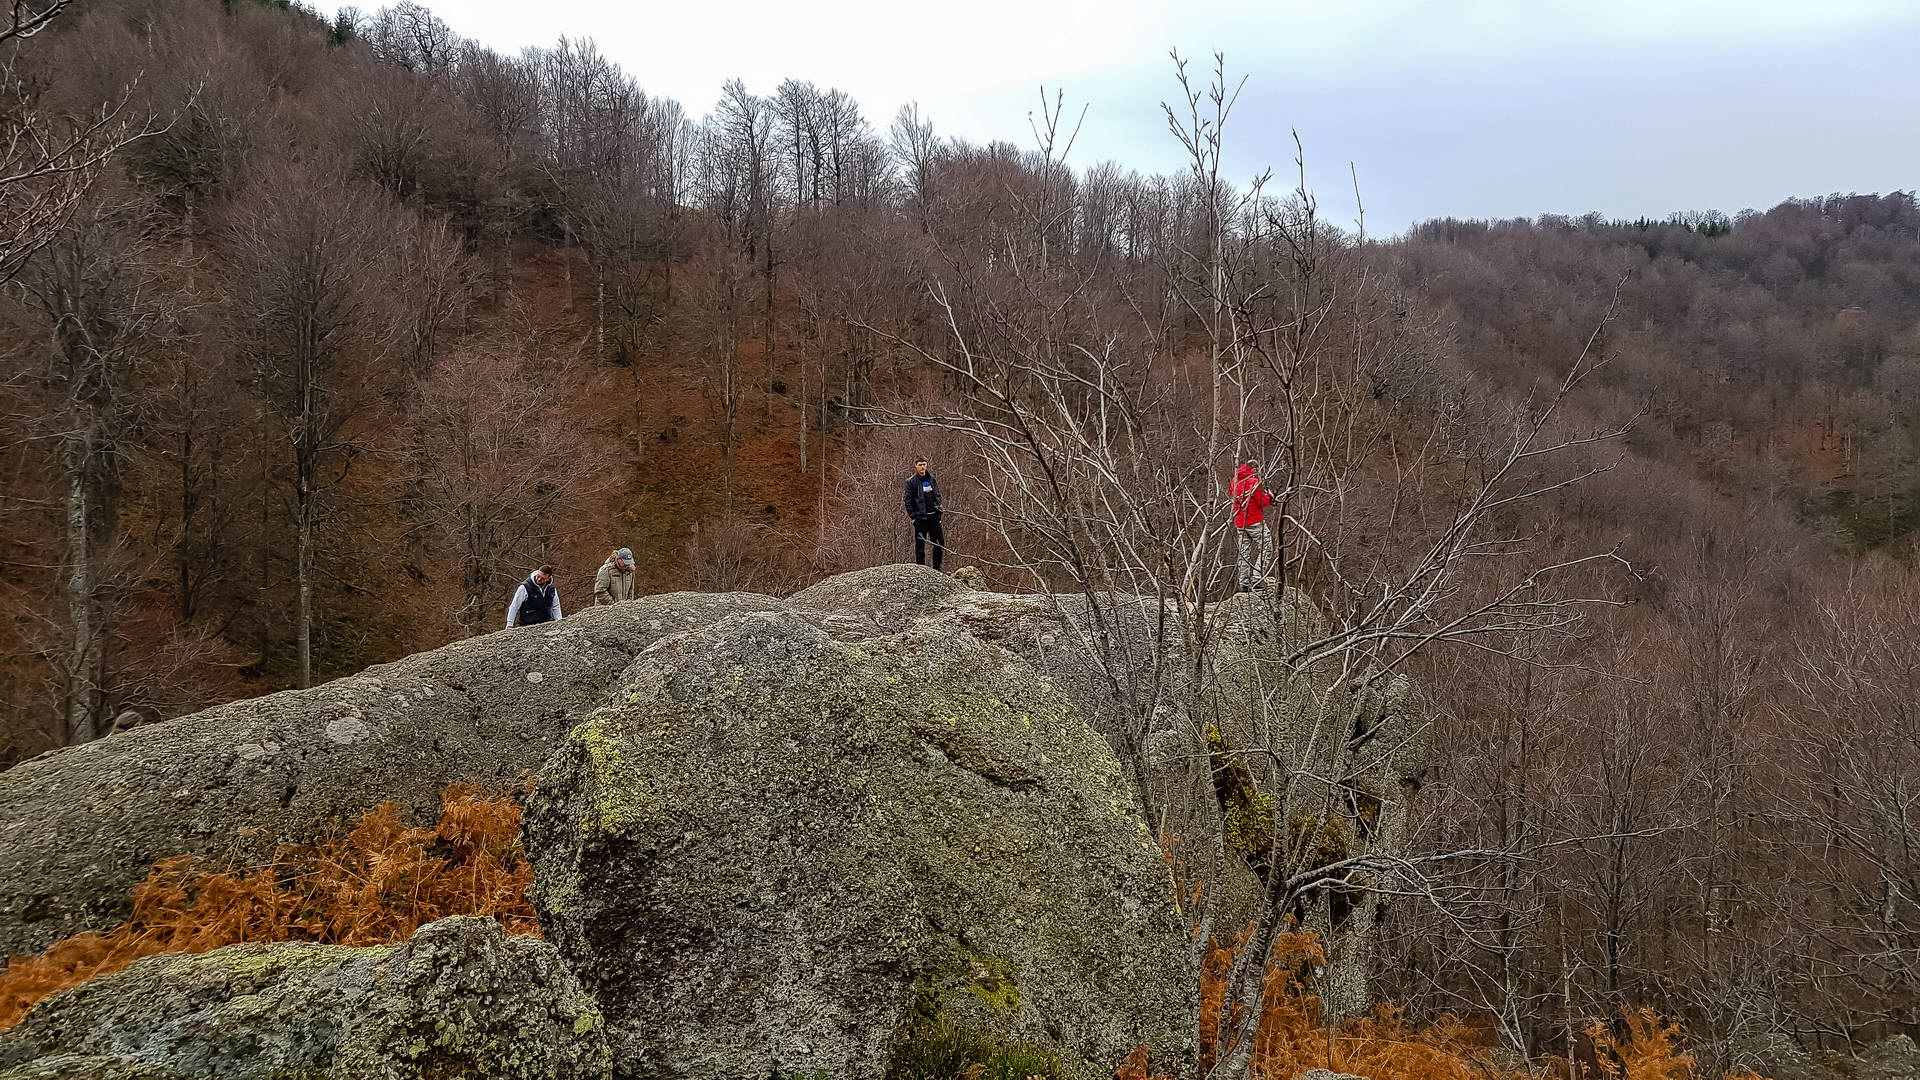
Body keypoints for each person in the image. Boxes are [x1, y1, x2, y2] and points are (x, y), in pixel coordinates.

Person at [1231, 462, 1274, 592]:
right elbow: (1262, 501)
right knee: (1267, 547)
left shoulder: (1234, 482)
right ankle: (1257, 578)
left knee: (1244, 552)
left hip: (1239, 522)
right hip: (1254, 520)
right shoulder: (1253, 482)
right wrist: (1270, 497)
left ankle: (1243, 582)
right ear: (1254, 469)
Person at [902, 456, 945, 571]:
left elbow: (937, 495)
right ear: (916, 466)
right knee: (920, 545)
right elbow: (908, 500)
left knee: (939, 542)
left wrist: (939, 509)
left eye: (924, 464)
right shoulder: (911, 482)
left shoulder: (932, 479)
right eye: (920, 465)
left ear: (927, 465)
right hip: (920, 518)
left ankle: (937, 568)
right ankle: (920, 569)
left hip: (934, 516)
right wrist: (913, 517)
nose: (922, 467)